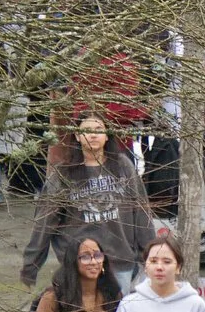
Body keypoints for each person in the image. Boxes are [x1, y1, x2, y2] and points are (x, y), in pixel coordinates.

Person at [20, 112, 156, 289]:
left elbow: (141, 213)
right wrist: (31, 266)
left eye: (99, 129)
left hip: (120, 262)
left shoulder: (123, 166)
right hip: (80, 265)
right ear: (77, 135)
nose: (93, 135)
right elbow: (44, 222)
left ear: (107, 135)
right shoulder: (64, 173)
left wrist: (150, 255)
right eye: (87, 130)